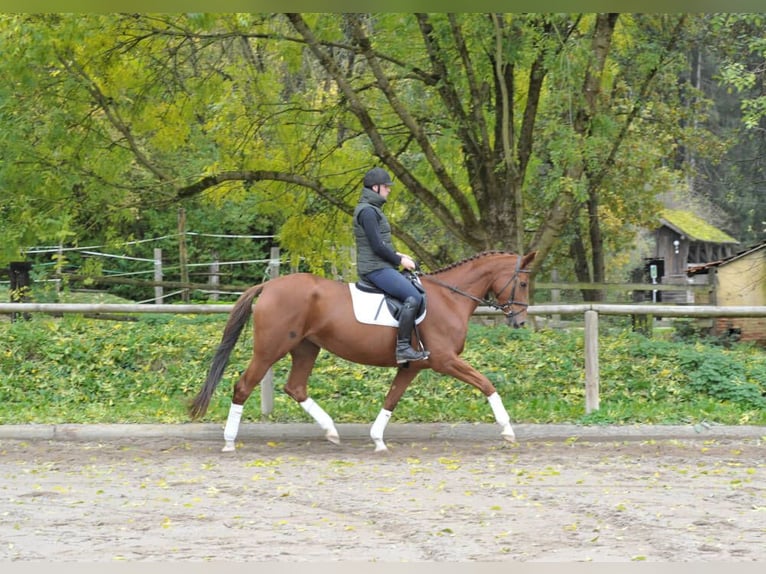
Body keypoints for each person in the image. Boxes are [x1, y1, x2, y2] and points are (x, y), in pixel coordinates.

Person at [353, 167, 430, 364]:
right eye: (386, 187)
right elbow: (377, 246)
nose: (389, 190)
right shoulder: (368, 212)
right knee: (412, 296)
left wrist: (397, 254)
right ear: (376, 187)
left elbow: (378, 244)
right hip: (374, 269)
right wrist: (399, 261)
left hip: (380, 264)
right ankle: (403, 348)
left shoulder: (372, 210)